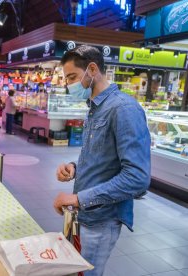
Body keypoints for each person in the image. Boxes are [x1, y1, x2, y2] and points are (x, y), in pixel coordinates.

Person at [54, 45, 150, 276]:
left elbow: (137, 178)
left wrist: (79, 198)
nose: (69, 85)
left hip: (100, 220)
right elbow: (102, 156)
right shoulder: (95, 108)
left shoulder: (124, 109)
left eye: (72, 77)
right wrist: (74, 168)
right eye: (66, 79)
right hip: (82, 214)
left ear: (93, 69)